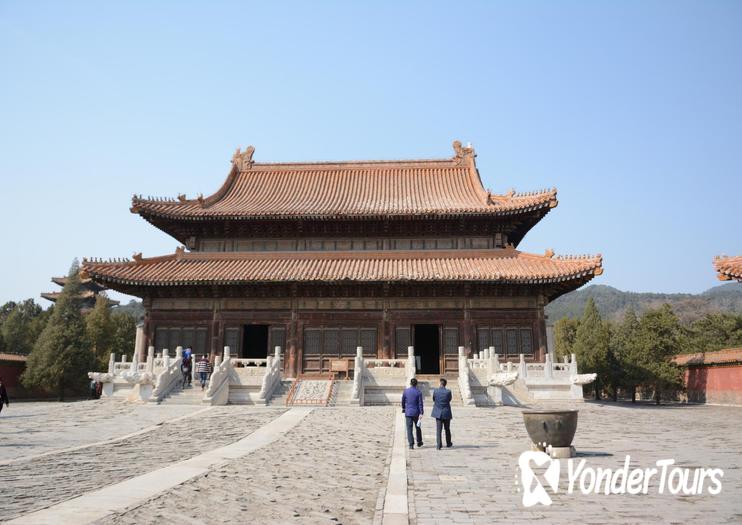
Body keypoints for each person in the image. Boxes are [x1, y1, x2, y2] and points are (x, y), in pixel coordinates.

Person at [431, 377, 453, 450]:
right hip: (446, 412)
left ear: (440, 383)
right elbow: (449, 399)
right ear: (445, 384)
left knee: (438, 430)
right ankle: (448, 443)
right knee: (447, 429)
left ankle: (438, 445)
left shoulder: (436, 391)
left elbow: (434, 399)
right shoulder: (448, 392)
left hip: (438, 412)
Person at [401, 377, 424, 450]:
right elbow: (420, 403)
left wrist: (403, 408)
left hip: (408, 413)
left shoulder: (406, 391)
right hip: (416, 413)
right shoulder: (418, 392)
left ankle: (411, 445)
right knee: (418, 427)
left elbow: (403, 401)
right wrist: (421, 412)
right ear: (416, 384)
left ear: (410, 383)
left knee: (409, 429)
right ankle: (419, 441)